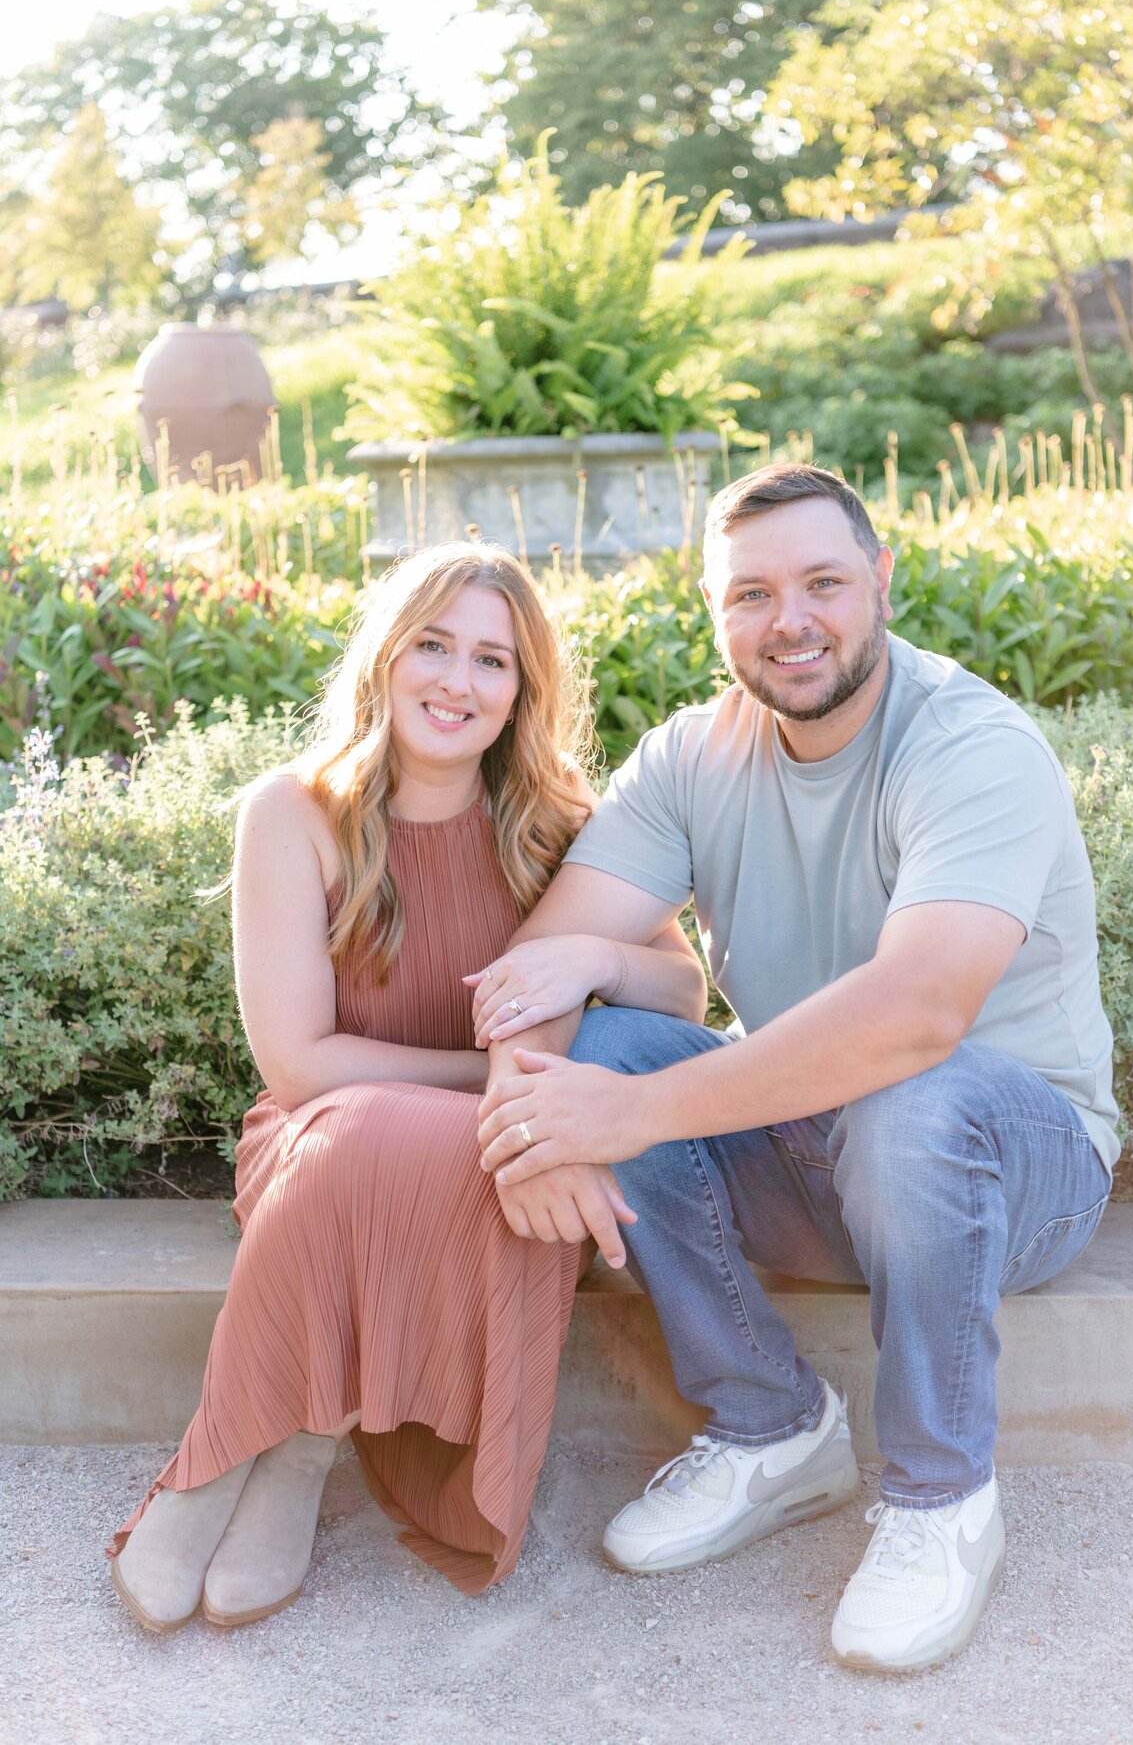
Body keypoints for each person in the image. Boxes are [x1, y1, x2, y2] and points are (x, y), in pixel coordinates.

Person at [473, 464, 1118, 1674]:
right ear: (715, 613)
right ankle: (774, 1428)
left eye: (823, 582)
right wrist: (531, 1113)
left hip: (1013, 1164)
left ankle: (939, 1500)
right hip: (822, 1153)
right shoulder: (688, 759)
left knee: (903, 1093)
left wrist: (629, 1110)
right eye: (752, 594)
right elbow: (537, 969)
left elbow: (920, 1016)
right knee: (605, 1038)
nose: (792, 620)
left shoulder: (972, 743)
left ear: (879, 580)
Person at [108, 541, 708, 1635]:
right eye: (433, 645)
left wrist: (596, 962)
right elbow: (299, 1065)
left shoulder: (561, 821)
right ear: (386, 656)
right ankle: (213, 1462)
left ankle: (292, 1457)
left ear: (522, 691)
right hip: (319, 1139)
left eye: (491, 660)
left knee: (458, 1141)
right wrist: (490, 1079)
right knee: (371, 1128)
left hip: (505, 1150)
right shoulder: (291, 813)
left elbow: (683, 990)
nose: (456, 681)